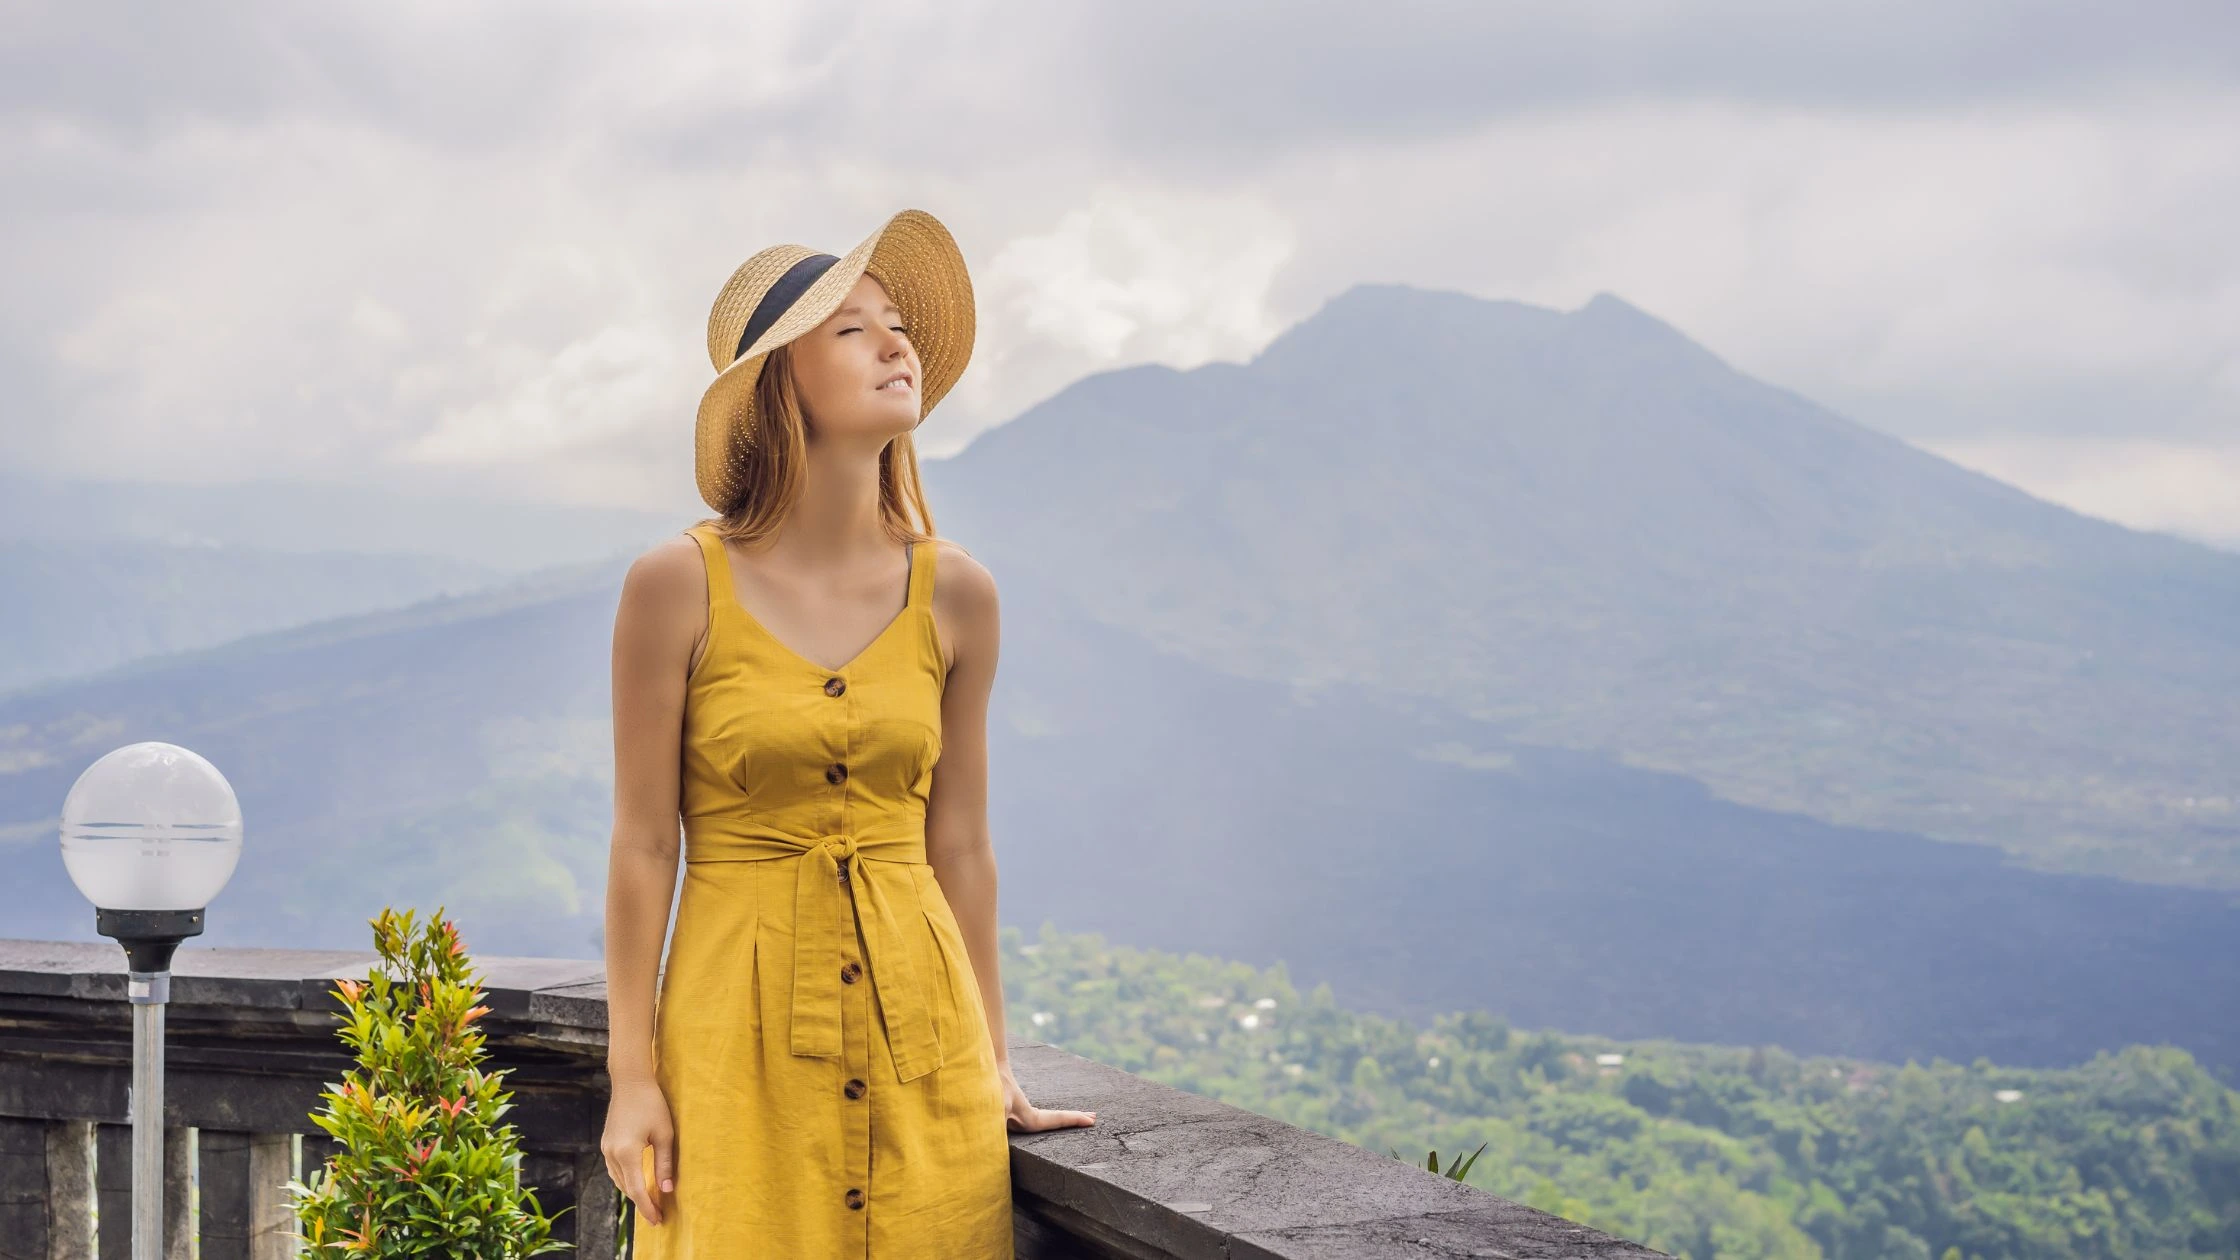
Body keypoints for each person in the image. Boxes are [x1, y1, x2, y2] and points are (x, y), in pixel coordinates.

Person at [599, 208, 1095, 1257]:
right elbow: (645, 845)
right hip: (733, 1055)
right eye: (850, 329)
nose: (894, 343)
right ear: (779, 382)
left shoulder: (958, 592)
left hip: (928, 1054)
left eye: (897, 322)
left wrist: (990, 1059)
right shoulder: (675, 587)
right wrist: (631, 1078)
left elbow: (958, 846)